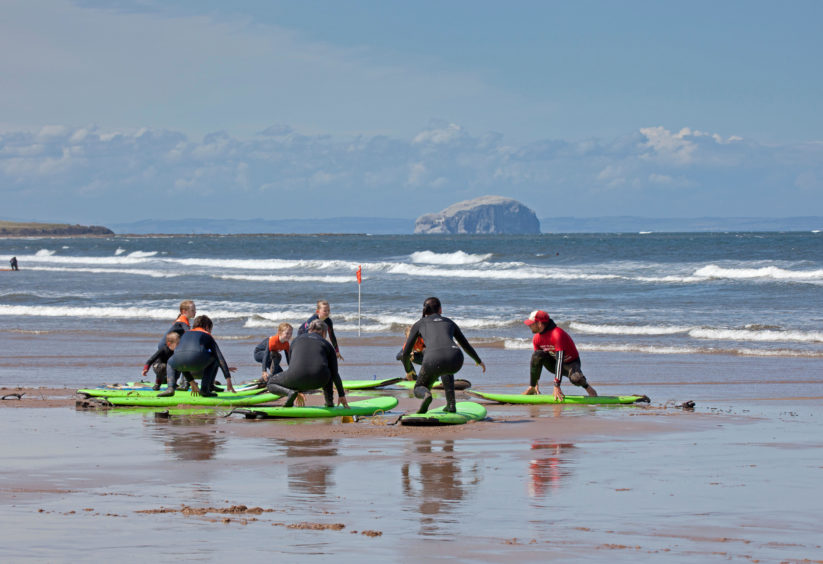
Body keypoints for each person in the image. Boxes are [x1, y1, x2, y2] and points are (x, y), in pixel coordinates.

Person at [400, 297, 485, 414]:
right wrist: (478, 360)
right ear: (440, 310)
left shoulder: (419, 324)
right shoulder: (449, 322)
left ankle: (426, 394)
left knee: (419, 388)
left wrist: (409, 370)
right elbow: (465, 345)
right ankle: (451, 405)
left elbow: (405, 353)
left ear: (425, 310)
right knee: (446, 369)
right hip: (456, 358)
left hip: (433, 359)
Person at [267, 319, 349, 409]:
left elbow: (293, 366)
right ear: (324, 332)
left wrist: (297, 389)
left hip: (296, 379)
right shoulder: (327, 344)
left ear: (309, 330)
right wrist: (341, 394)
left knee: (271, 383)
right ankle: (329, 403)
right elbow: (335, 374)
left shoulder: (295, 341)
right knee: (328, 372)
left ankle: (290, 392)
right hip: (319, 380)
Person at [522, 310, 597, 401]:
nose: (529, 326)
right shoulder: (537, 338)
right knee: (537, 354)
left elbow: (560, 359)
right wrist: (535, 384)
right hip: (553, 364)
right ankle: (532, 388)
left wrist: (556, 385)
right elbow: (536, 362)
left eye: (531, 323)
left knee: (576, 379)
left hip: (570, 364)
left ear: (540, 324)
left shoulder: (557, 334)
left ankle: (588, 387)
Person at [163, 315, 237, 397]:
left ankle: (170, 388)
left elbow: (181, 359)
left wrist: (191, 382)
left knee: (171, 361)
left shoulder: (184, 334)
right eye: (210, 329)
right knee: (214, 358)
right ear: (207, 327)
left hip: (181, 363)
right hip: (198, 363)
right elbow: (219, 357)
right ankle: (205, 389)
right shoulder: (207, 335)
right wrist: (228, 380)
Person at [152, 300, 196, 390]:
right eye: (193, 310)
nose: (195, 312)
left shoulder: (180, 320)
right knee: (181, 361)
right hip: (167, 345)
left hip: (166, 344)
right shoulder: (183, 320)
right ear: (184, 311)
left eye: (195, 310)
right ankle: (184, 384)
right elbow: (188, 333)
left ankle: (167, 383)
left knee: (175, 363)